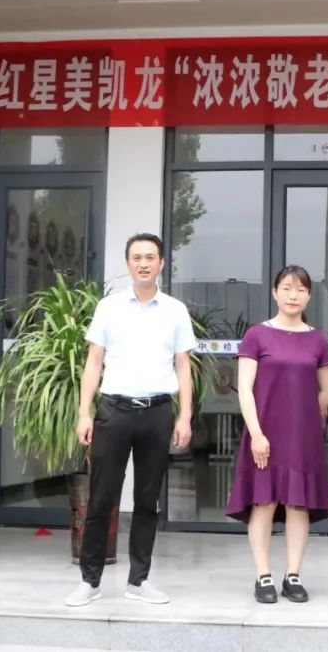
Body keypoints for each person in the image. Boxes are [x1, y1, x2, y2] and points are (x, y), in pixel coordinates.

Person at [65, 233, 196, 607]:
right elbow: (94, 362)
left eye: (150, 257)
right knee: (101, 498)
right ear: (127, 264)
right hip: (114, 411)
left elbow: (183, 366)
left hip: (157, 412)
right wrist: (84, 412)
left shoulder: (175, 310)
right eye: (137, 257)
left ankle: (139, 580)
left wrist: (185, 416)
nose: (143, 263)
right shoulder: (109, 308)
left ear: (161, 263)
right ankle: (90, 581)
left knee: (147, 500)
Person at [226, 265, 328, 604]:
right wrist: (256, 434)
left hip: (302, 436)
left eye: (300, 289)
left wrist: (310, 420)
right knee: (265, 501)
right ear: (275, 293)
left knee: (298, 504)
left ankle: (293, 575)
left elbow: (327, 389)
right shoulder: (257, 335)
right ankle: (263, 575)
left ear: (309, 296)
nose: (293, 295)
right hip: (265, 432)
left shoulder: (317, 339)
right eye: (287, 288)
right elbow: (245, 389)